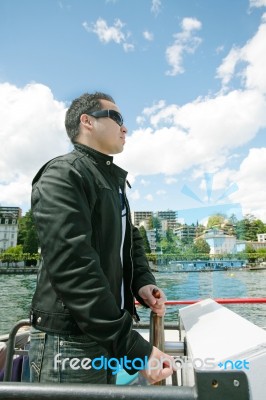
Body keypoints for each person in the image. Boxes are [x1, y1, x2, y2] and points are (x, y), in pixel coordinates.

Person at [27, 92, 174, 385]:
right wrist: (135, 349)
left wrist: (142, 281)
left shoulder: (111, 183)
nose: (125, 128)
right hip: (69, 341)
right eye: (117, 118)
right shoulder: (63, 174)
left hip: (105, 337)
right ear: (87, 122)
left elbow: (129, 241)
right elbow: (73, 267)